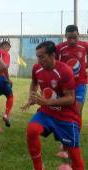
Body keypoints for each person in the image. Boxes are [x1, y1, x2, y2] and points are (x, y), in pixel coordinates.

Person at [21, 41, 84, 170]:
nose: (38, 60)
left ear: (52, 55)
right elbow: (34, 83)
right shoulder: (36, 68)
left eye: (42, 56)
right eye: (37, 56)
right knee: (32, 130)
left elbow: (71, 98)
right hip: (47, 112)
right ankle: (38, 167)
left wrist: (48, 101)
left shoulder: (65, 71)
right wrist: (31, 97)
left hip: (67, 116)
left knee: (74, 156)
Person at [56, 25, 88, 116]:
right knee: (63, 112)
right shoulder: (59, 48)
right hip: (65, 84)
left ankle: (76, 130)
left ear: (79, 35)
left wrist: (83, 67)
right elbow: (54, 64)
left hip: (80, 83)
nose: (72, 41)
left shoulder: (84, 46)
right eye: (69, 38)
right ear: (65, 36)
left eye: (75, 37)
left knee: (77, 112)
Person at [0, 41, 14, 127]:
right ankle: (6, 115)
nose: (8, 51)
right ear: (4, 46)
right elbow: (4, 67)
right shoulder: (5, 53)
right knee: (10, 96)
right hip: (1, 79)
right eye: (8, 49)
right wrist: (8, 79)